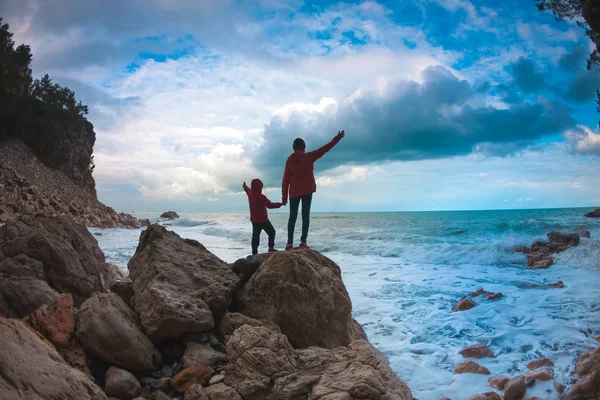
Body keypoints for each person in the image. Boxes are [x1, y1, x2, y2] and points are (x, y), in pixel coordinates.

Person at [281, 130, 345, 250]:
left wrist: (284, 198)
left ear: (293, 148)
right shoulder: (309, 157)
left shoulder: (289, 161)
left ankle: (289, 243)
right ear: (304, 148)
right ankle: (303, 242)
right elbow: (325, 149)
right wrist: (337, 139)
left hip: (294, 192)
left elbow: (285, 180)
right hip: (307, 191)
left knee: (292, 217)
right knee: (306, 216)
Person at [243, 179, 282, 255]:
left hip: (254, 221)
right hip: (263, 220)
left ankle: (254, 252)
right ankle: (271, 247)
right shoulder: (261, 196)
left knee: (255, 237)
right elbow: (270, 205)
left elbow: (247, 190)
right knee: (272, 232)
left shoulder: (250, 194)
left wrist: (244, 186)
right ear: (259, 187)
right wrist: (280, 204)